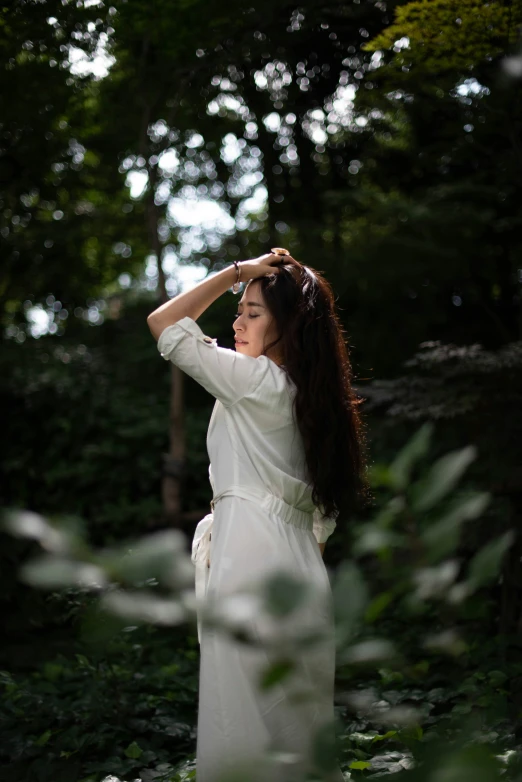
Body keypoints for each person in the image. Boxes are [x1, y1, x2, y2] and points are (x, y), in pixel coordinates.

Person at [147, 249, 369, 782]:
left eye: (251, 311)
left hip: (250, 554)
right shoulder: (308, 399)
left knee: (243, 721)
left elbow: (164, 324)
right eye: (239, 308)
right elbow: (318, 522)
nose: (236, 320)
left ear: (286, 324)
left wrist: (238, 271)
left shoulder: (252, 382)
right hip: (296, 567)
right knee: (294, 723)